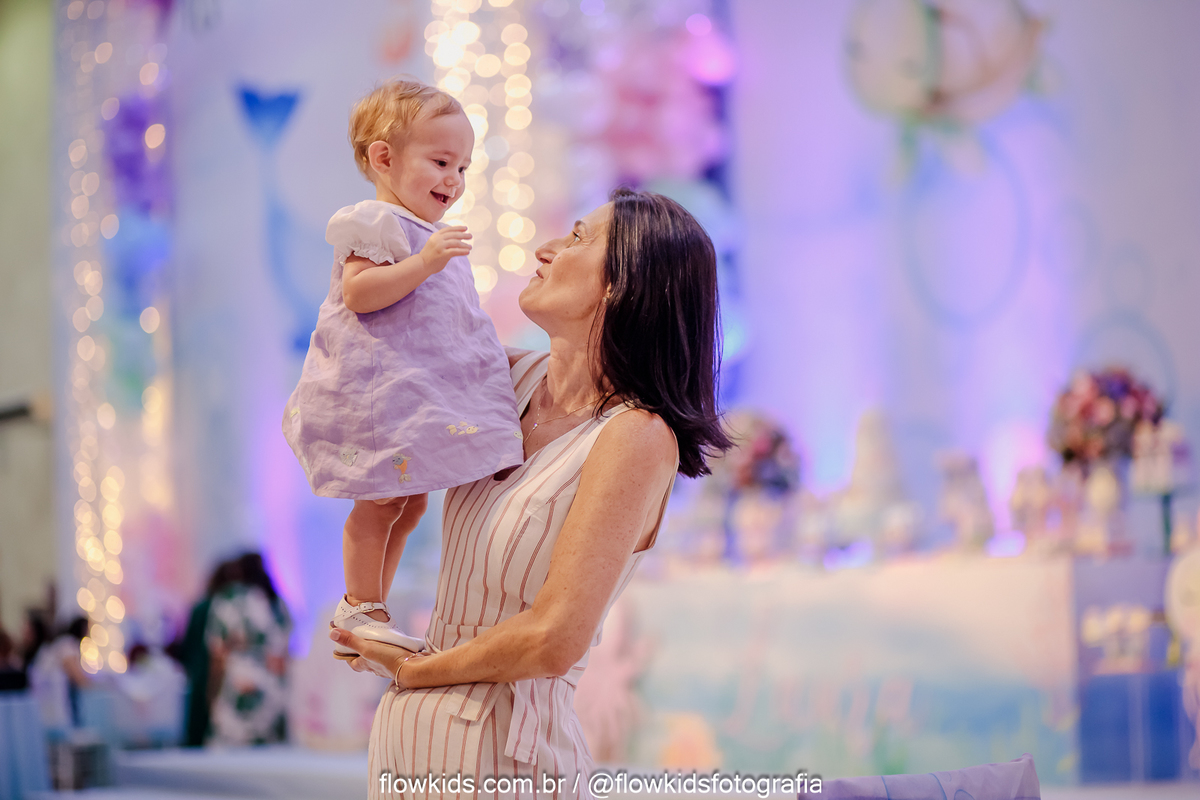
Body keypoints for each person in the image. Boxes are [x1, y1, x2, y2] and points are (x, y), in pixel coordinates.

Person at [332, 188, 731, 797]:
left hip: (508, 758)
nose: (546, 248)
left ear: (625, 284)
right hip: (407, 742)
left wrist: (412, 668)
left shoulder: (635, 435)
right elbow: (376, 354)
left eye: (577, 238)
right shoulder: (501, 377)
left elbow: (552, 638)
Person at [284, 79, 524, 658]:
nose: (454, 180)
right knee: (378, 502)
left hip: (409, 395)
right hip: (377, 394)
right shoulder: (375, 221)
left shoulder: (429, 235)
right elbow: (361, 292)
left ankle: (370, 610)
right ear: (384, 159)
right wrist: (423, 264)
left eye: (463, 167)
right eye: (441, 162)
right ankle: (358, 606)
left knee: (409, 502)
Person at [206, 553, 292, 746]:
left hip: (237, 683)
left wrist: (211, 695)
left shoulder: (228, 600)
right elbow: (283, 656)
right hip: (271, 690)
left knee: (231, 754)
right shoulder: (276, 602)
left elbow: (218, 653)